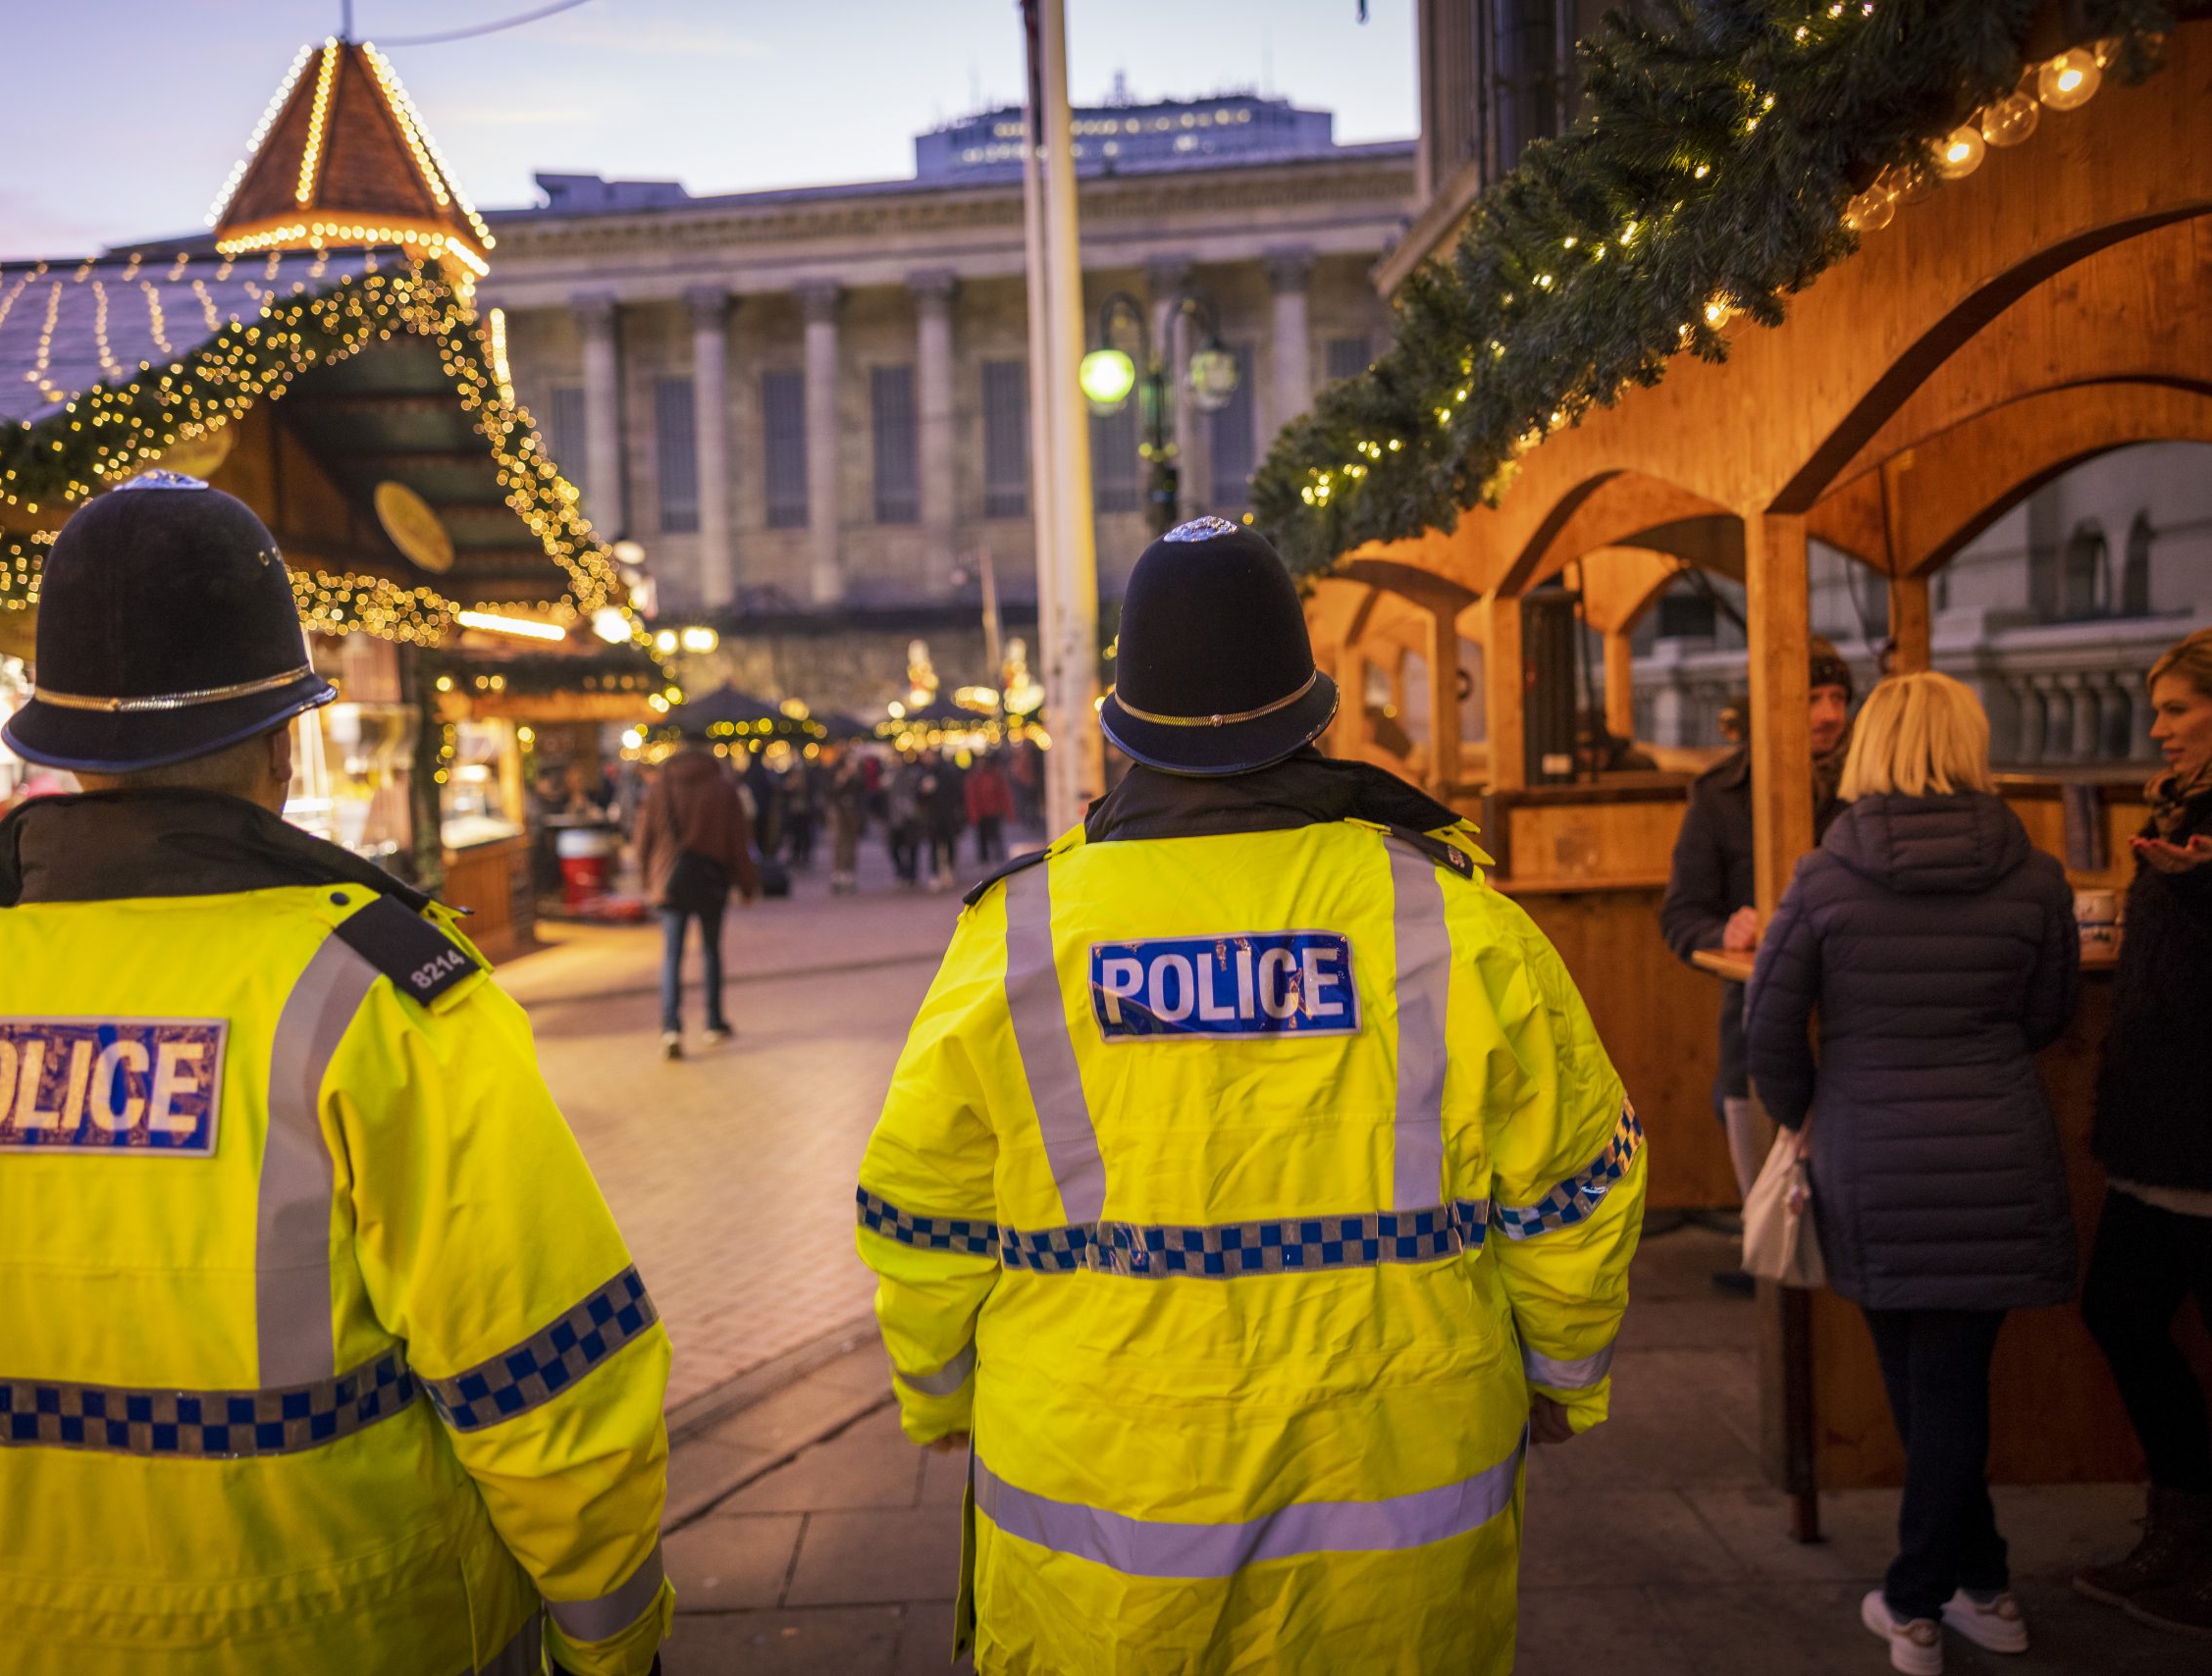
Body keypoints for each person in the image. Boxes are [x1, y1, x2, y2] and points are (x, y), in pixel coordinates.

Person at [0, 474, 672, 1676]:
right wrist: (612, 1642)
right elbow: (554, 1400)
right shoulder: (383, 1002)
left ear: (62, 750)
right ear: (283, 742)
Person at [854, 516, 1645, 1676]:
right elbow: (1578, 1190)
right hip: (1398, 1506)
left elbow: (920, 1216)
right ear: (1312, 713)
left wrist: (942, 1401)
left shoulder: (1017, 939)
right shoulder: (1452, 919)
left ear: (1120, 725)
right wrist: (1561, 1380)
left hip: (1100, 1520)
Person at [1742, 671, 2077, 1674]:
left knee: (1925, 1386)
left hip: (1869, 1156)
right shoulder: (2035, 876)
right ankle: (1986, 1585)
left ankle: (1918, 1603)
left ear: (1871, 745)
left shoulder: (1825, 876)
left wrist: (1806, 1114)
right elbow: (2050, 1015)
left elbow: (1767, 1026)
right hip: (1997, 1151)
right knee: (1948, 1385)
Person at [2076, 626, 2212, 1635]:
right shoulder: (2179, 812)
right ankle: (2183, 1525)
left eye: (2175, 709)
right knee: (2119, 1312)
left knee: (2125, 1310)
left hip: (2196, 1133)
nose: (2157, 728)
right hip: (2163, 1129)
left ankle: (2189, 1541)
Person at [1660, 637, 1854, 1289]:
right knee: (1774, 1228)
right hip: (1754, 1041)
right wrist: (1726, 930)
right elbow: (1681, 916)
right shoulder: (1720, 795)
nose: (1830, 714)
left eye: (1839, 697)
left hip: (1859, 1036)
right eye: (1811, 698)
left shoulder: (1875, 789)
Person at [634, 742, 759, 1060]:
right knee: (711, 951)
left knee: (672, 955)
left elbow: (643, 838)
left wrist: (647, 881)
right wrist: (747, 885)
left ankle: (670, 1028)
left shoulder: (660, 787)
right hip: (710, 880)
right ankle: (713, 1022)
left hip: (670, 882)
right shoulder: (723, 788)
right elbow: (737, 841)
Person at [918, 748, 966, 892]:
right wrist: (923, 791)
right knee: (934, 846)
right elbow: (919, 796)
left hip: (946, 814)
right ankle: (936, 874)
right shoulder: (925, 772)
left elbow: (957, 793)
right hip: (934, 816)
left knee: (949, 844)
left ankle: (948, 872)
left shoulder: (947, 771)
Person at [824, 746, 869, 894]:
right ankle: (838, 873)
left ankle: (849, 873)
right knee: (838, 841)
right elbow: (828, 791)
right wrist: (840, 781)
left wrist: (855, 777)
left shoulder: (858, 774)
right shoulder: (835, 771)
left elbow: (863, 792)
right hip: (838, 810)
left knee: (851, 842)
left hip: (853, 811)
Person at [967, 749, 1017, 863]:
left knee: (996, 836)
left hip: (994, 811)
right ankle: (984, 859)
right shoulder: (974, 777)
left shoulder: (995, 774)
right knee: (982, 838)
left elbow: (1003, 793)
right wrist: (973, 814)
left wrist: (1008, 811)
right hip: (981, 812)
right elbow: (971, 797)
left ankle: (998, 857)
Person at [885, 754, 925, 886]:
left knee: (912, 847)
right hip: (894, 817)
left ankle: (912, 875)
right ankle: (901, 871)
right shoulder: (889, 774)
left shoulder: (913, 774)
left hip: (910, 817)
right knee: (893, 847)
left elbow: (918, 792)